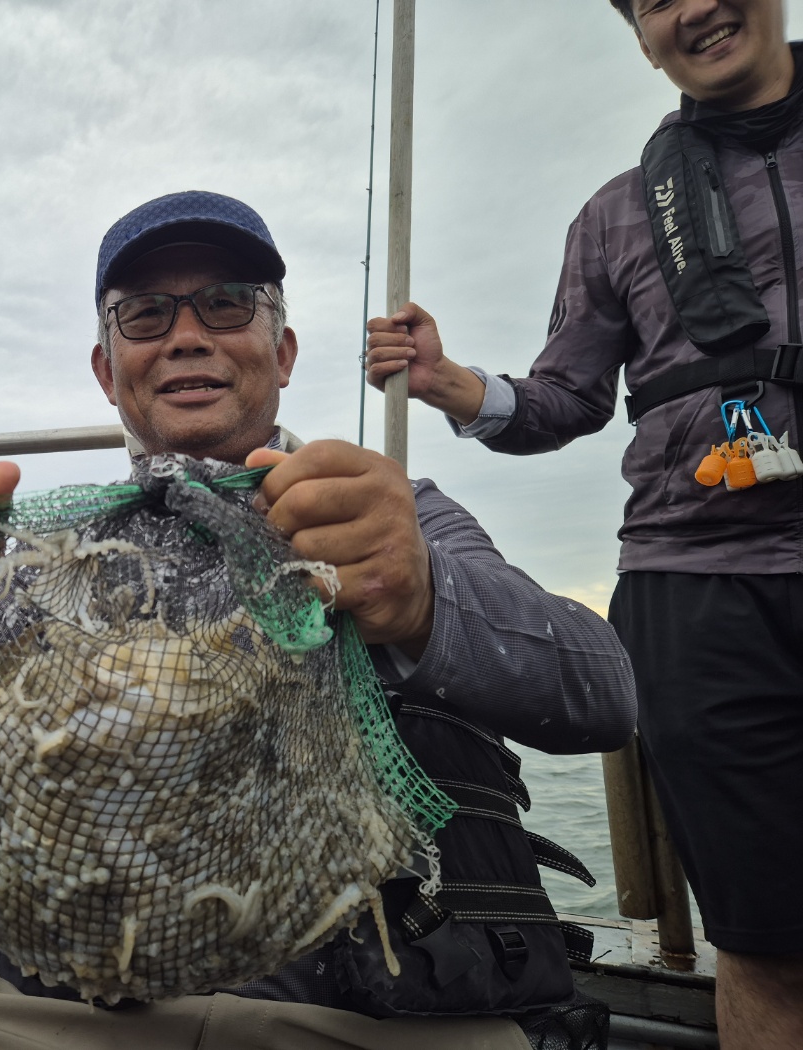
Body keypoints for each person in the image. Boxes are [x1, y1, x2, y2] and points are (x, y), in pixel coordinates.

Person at [0, 190, 635, 1050]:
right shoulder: (27, 563)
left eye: (227, 303)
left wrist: (423, 599)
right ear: (107, 371)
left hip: (373, 1019)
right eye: (145, 314)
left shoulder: (396, 521)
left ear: (282, 353)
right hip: (86, 1017)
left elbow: (602, 693)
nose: (186, 335)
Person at [363, 2, 803, 1047]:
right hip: (698, 588)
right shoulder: (613, 215)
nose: (691, 8)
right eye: (650, 0)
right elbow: (565, 400)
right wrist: (450, 382)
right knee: (765, 940)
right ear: (640, 39)